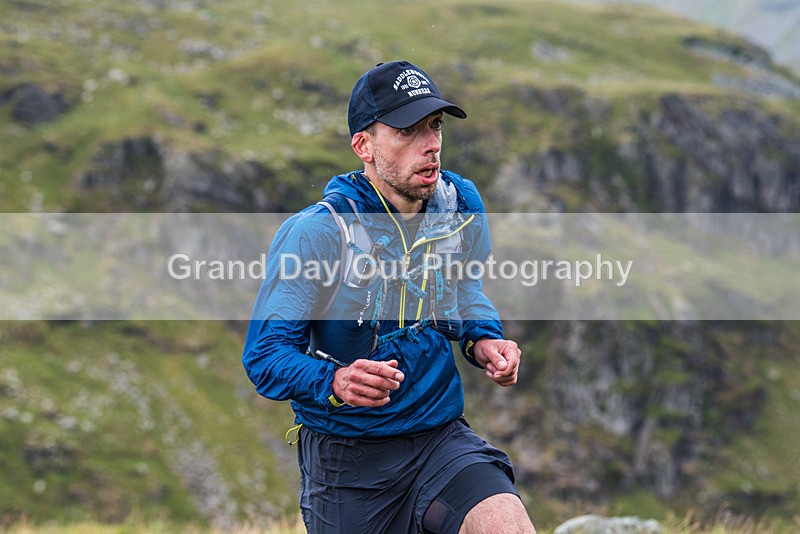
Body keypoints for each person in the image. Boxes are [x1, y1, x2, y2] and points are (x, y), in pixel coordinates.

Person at [242, 60, 536, 534]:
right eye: (406, 131)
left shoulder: (460, 205)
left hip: (439, 438)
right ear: (364, 146)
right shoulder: (317, 233)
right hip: (347, 461)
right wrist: (335, 380)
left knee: (507, 524)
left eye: (435, 126)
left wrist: (483, 338)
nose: (430, 144)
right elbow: (265, 355)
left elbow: (463, 288)